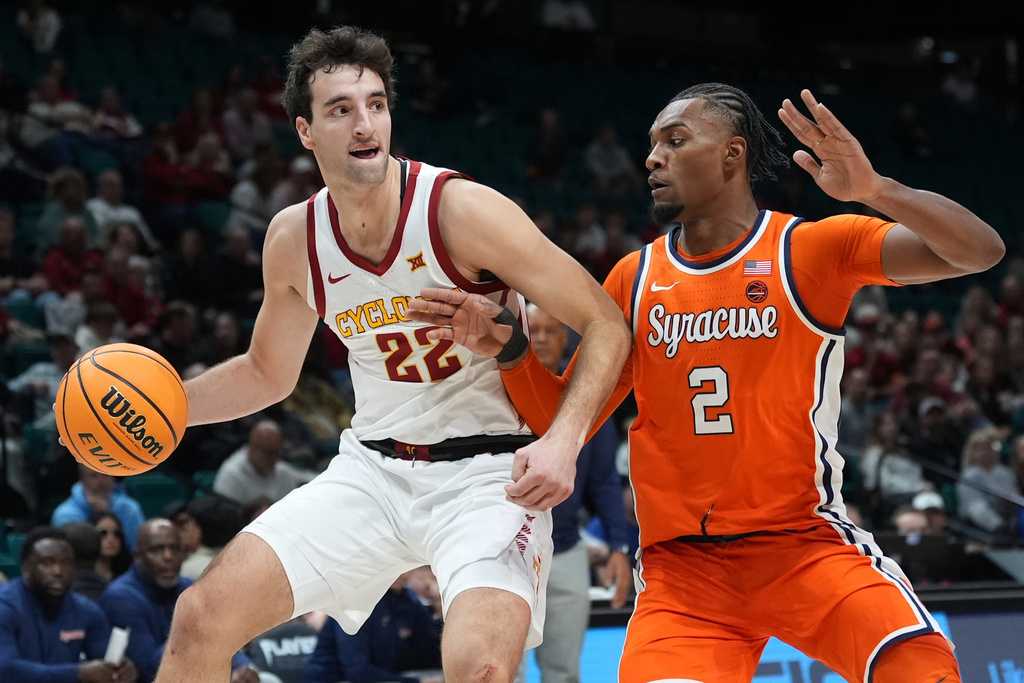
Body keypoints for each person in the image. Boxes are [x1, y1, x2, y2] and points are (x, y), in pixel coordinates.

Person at [410, 84, 1004, 682]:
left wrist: (877, 191)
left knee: (923, 669)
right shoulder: (632, 278)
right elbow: (565, 424)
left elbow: (979, 252)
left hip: (802, 545)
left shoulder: (809, 249)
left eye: (675, 140)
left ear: (732, 155)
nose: (652, 157)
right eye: (651, 145)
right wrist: (512, 349)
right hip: (684, 575)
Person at [152, 25, 629, 683]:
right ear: (305, 131)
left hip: (487, 477)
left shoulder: (461, 211)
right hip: (372, 471)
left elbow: (606, 323)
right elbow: (267, 372)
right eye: (340, 109)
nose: (364, 122)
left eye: (375, 103)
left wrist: (564, 441)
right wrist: (165, 409)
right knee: (200, 617)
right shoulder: (295, 238)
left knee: (482, 667)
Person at [514, 303, 632, 683]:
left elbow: (604, 481)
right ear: (523, 335)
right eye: (536, 330)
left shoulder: (587, 390)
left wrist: (618, 545)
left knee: (564, 674)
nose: (544, 338)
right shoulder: (491, 385)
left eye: (552, 330)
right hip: (501, 547)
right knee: (496, 671)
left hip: (564, 549)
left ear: (566, 339)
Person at [100, 519, 262, 683]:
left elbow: (221, 639)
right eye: (157, 550)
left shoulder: (191, 587)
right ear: (138, 557)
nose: (168, 557)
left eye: (175, 549)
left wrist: (244, 667)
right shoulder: (121, 597)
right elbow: (148, 669)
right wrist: (192, 628)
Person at [0, 526, 139, 683]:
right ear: (25, 568)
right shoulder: (5, 607)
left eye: (66, 563)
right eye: (47, 563)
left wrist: (122, 669)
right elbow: (6, 671)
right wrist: (78, 673)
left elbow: (105, 661)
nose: (58, 571)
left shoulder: (85, 609)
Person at [302, 572, 443, 683]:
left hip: (380, 675)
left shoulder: (409, 600)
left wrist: (438, 605)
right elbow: (356, 671)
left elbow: (432, 654)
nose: (402, 572)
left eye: (409, 563)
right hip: (334, 679)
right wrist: (414, 681)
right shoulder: (356, 600)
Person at [212, 419, 314, 505]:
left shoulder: (280, 469)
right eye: (269, 453)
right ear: (253, 448)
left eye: (277, 453)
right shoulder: (232, 475)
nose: (274, 458)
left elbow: (307, 477)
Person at [52, 466, 146, 552]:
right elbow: (73, 555)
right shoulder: (65, 514)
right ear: (83, 480)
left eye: (105, 474)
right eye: (93, 476)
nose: (101, 482)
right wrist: (101, 514)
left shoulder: (129, 509)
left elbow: (137, 550)